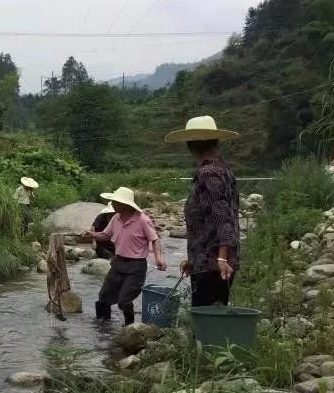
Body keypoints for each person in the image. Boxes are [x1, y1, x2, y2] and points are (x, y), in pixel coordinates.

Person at [165, 115, 240, 307]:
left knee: (207, 325)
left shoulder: (207, 174)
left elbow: (222, 218)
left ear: (191, 145)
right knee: (212, 321)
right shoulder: (223, 170)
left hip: (213, 265)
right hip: (207, 261)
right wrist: (194, 260)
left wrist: (221, 257)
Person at [84, 187, 167, 325]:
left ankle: (130, 326)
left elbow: (155, 239)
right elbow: (106, 235)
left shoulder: (143, 220)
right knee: (104, 296)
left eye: (115, 202)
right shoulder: (116, 218)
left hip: (136, 266)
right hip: (118, 263)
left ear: (125, 204)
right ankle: (102, 325)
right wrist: (92, 235)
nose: (112, 204)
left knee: (124, 300)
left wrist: (159, 258)